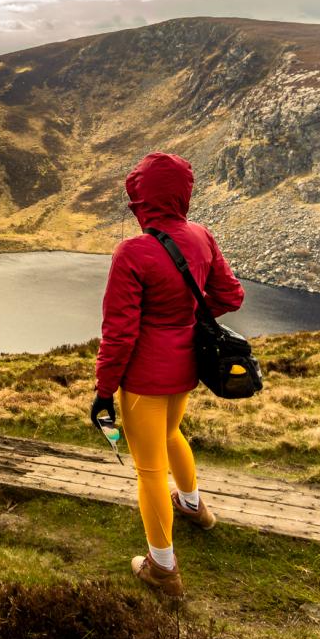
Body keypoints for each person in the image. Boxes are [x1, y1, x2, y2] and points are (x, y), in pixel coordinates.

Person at [89, 152, 244, 598]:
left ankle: (162, 567)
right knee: (173, 432)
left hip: (143, 377)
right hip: (186, 367)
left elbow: (119, 334)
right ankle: (195, 508)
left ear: (142, 199)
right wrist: (189, 319)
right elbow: (231, 295)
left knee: (149, 469)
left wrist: (103, 391)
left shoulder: (133, 251)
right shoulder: (200, 236)